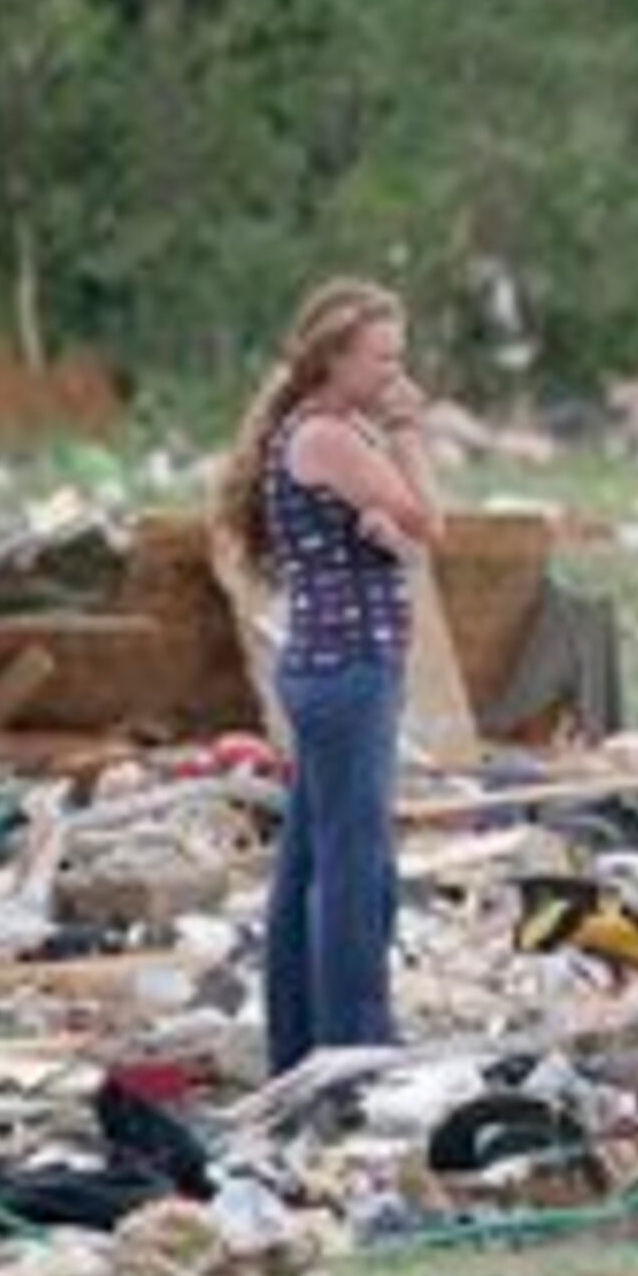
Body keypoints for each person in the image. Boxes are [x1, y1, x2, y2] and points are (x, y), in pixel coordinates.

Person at [215, 277, 444, 1074]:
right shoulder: (331, 437)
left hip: (323, 666)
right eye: (383, 356)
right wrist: (411, 431)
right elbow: (428, 519)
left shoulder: (316, 433)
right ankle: (354, 1050)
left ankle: (298, 1048)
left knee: (311, 860)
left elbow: (401, 529)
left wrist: (392, 525)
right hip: (350, 670)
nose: (395, 372)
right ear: (334, 356)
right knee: (356, 867)